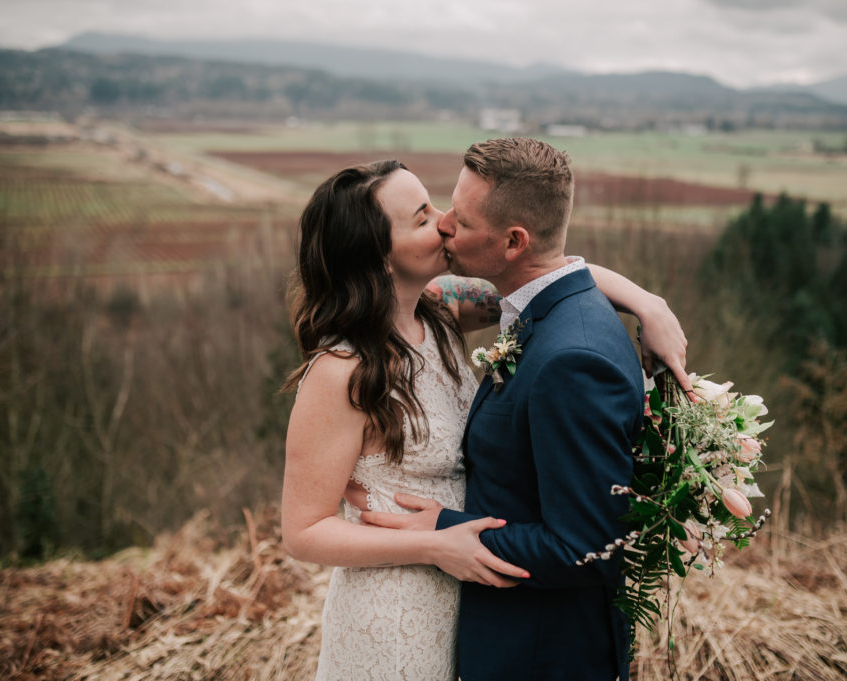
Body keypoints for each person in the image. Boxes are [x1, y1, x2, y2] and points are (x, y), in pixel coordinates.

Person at [281, 156, 689, 681]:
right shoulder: (342, 371)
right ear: (381, 258)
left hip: (473, 592)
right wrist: (431, 544)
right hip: (394, 607)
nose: (446, 220)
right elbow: (303, 531)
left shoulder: (442, 310)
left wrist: (646, 303)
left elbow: (543, 272)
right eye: (423, 218)